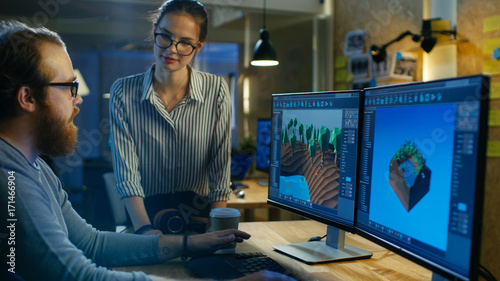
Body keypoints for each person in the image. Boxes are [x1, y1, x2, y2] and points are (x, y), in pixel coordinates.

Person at [0, 20, 293, 281]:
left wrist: (190, 244)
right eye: (69, 87)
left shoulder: (34, 167)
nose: (77, 100)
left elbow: (91, 244)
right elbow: (75, 274)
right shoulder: (10, 177)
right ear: (27, 97)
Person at [110, 0, 232, 235]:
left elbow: (220, 169)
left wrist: (214, 229)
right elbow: (126, 172)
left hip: (199, 212)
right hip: (144, 214)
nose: (171, 49)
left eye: (185, 43)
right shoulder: (123, 92)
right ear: (154, 29)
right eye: (165, 36)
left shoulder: (216, 89)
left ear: (198, 46)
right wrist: (144, 229)